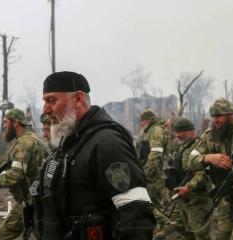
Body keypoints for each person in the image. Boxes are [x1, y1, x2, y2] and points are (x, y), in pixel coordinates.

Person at [31, 71, 155, 240]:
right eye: (45, 101)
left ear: (78, 99)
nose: (45, 110)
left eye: (52, 100)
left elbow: (136, 211)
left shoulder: (106, 143)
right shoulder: (68, 143)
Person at [188, 98, 233, 240]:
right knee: (222, 235)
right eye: (213, 117)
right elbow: (190, 160)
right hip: (226, 195)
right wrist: (208, 158)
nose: (215, 120)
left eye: (219, 116)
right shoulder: (209, 135)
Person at [0, 108, 47, 240]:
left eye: (5, 122)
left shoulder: (24, 143)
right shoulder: (33, 140)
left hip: (30, 201)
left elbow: (16, 174)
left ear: (15, 122)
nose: (3, 126)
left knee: (2, 236)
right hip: (38, 199)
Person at [171, 118, 213, 240]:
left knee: (201, 233)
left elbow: (204, 173)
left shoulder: (200, 146)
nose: (178, 135)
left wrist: (188, 188)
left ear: (191, 131)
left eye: (182, 132)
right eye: (176, 132)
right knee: (180, 226)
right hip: (182, 195)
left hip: (198, 196)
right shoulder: (180, 147)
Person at [139, 109, 176, 239]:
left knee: (146, 204)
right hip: (153, 173)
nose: (141, 124)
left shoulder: (155, 131)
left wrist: (145, 174)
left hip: (154, 175)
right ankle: (161, 229)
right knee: (155, 205)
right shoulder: (152, 130)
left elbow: (155, 153)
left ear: (147, 120)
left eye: (142, 121)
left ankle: (168, 225)